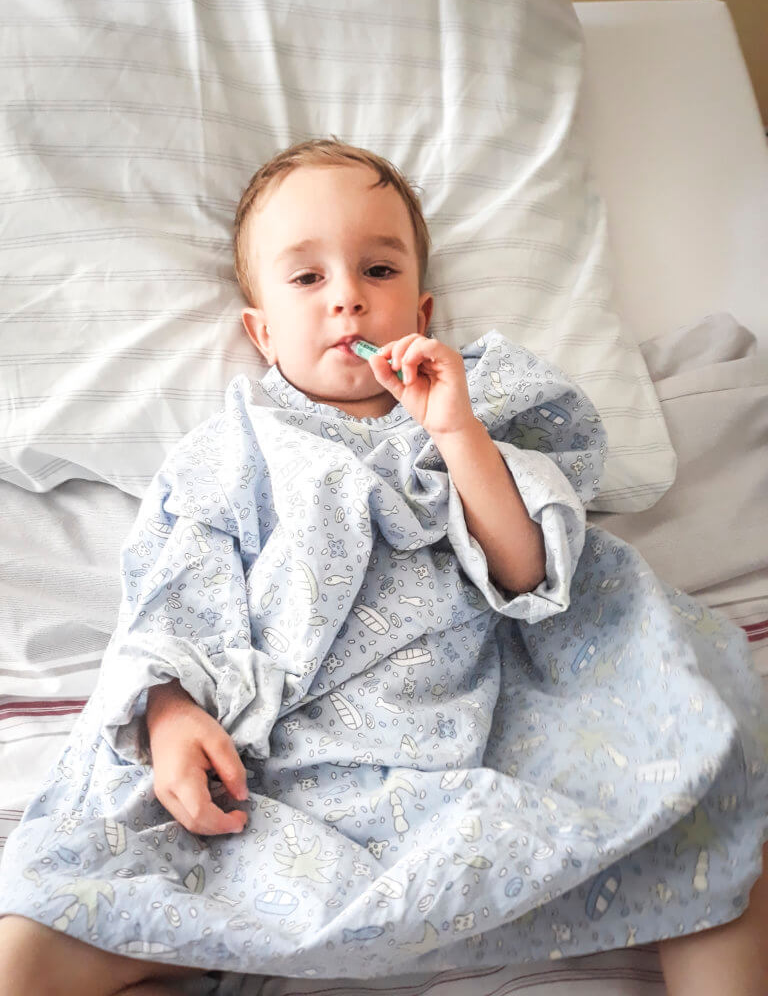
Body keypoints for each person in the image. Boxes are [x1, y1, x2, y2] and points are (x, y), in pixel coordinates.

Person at [0, 139, 765, 996]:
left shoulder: (477, 406)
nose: (348, 298)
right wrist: (172, 715)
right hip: (286, 768)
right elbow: (173, 600)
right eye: (307, 278)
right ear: (261, 332)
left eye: (378, 269)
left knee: (717, 822)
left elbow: (527, 573)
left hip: (468, 743)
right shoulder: (231, 452)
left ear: (423, 310)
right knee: (40, 923)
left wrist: (456, 433)